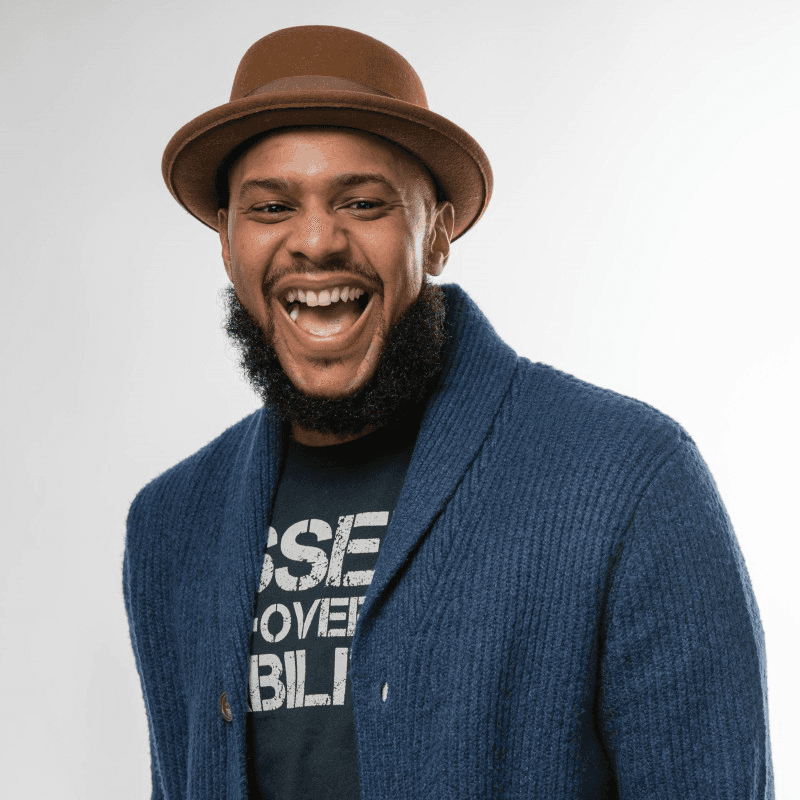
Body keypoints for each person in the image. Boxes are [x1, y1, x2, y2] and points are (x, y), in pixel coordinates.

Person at [123, 24, 773, 800]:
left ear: (436, 233)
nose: (316, 241)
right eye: (270, 208)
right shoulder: (172, 524)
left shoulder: (629, 480)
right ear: (227, 245)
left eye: (364, 202)